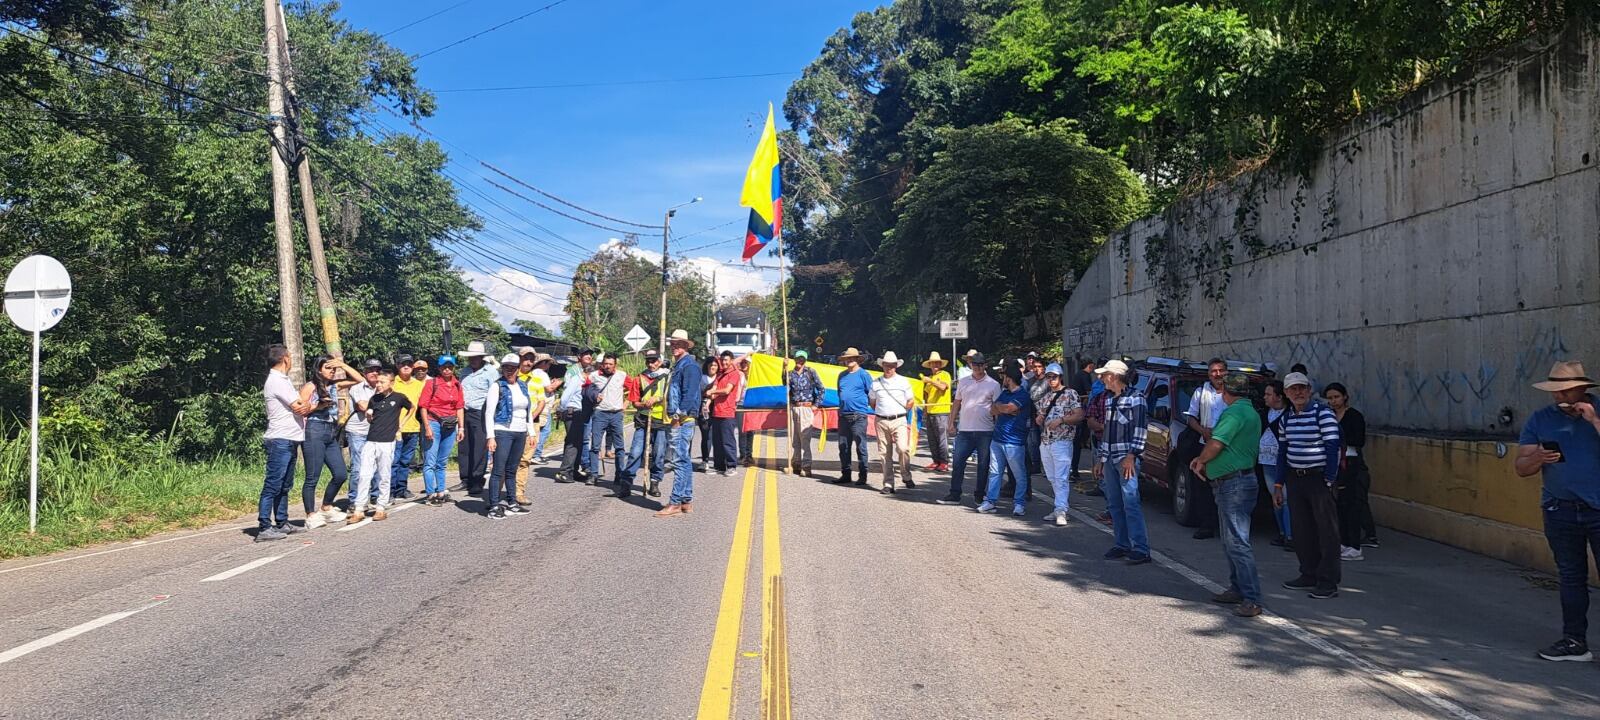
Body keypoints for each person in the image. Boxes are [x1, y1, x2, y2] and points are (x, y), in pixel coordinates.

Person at [1514, 361, 1600, 662]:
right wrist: (1537, 457)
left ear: (1583, 389)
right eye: (1556, 391)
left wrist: (1595, 422)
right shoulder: (1541, 419)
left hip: (1598, 509)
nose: (1560, 396)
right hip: (1560, 509)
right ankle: (1574, 641)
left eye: (1567, 390)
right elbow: (1521, 468)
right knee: (1571, 577)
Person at [1189, 373, 1266, 617]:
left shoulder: (1234, 414)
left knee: (1237, 542)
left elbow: (1216, 443)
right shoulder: (1250, 411)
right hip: (1237, 480)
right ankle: (1237, 588)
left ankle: (1251, 598)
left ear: (1225, 391)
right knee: (1231, 540)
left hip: (1234, 483)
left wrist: (1201, 460)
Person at [1277, 371, 1344, 599]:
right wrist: (1279, 482)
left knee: (1327, 532)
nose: (1298, 393)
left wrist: (1329, 478)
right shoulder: (1287, 418)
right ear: (1286, 393)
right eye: (1293, 389)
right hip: (1296, 479)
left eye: (1302, 388)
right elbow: (1283, 451)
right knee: (1302, 530)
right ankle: (1308, 573)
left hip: (1318, 479)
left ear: (1310, 390)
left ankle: (1327, 581)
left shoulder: (1322, 413)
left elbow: (1332, 445)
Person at [1095, 359, 1152, 565]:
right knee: (1114, 503)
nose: (1101, 379)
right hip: (1111, 457)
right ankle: (1121, 543)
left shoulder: (1137, 398)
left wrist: (1132, 455)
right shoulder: (1110, 399)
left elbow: (1140, 429)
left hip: (1125, 458)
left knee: (1131, 503)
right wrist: (1101, 459)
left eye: (1104, 375)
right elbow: (1108, 432)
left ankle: (1141, 548)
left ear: (1113, 376)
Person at [257, 345, 312, 542]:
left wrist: (305, 404)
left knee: (285, 484)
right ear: (286, 359)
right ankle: (264, 526)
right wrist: (314, 401)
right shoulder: (276, 381)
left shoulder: (283, 380)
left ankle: (281, 522)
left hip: (290, 437)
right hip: (280, 438)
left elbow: (299, 406)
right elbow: (300, 408)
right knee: (273, 483)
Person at [298, 355, 361, 529]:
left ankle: (326, 506)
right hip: (314, 430)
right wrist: (319, 405)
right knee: (313, 476)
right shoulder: (310, 387)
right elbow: (300, 410)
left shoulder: (335, 385)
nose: (332, 371)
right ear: (318, 370)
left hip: (331, 431)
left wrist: (342, 365)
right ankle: (310, 514)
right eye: (328, 368)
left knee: (340, 473)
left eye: (333, 369)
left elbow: (359, 379)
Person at [347, 369, 410, 524]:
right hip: (371, 440)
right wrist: (370, 418)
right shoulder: (374, 399)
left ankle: (381, 507)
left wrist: (400, 425)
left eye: (382, 381)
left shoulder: (399, 398)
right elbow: (370, 415)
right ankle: (359, 508)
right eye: (378, 381)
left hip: (387, 442)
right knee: (364, 474)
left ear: (391, 383)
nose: (379, 384)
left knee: (384, 474)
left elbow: (412, 408)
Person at [938, 352, 1000, 505]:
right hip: (965, 429)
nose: (977, 367)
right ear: (971, 365)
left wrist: (998, 429)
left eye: (980, 364)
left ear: (985, 365)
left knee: (983, 464)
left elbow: (997, 408)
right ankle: (955, 493)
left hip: (985, 430)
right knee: (958, 462)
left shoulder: (993, 384)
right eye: (974, 364)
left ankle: (979, 494)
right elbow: (957, 403)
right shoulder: (963, 382)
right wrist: (951, 422)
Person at [658, 329, 705, 517]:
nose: (674, 346)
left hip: (682, 419)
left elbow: (691, 393)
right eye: (673, 343)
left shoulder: (689, 366)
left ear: (686, 345)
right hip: (681, 418)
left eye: (678, 343)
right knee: (683, 460)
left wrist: (678, 416)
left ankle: (675, 502)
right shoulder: (680, 365)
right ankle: (686, 500)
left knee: (678, 460)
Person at [1181, 359, 1229, 540]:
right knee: (1203, 486)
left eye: (1221, 370)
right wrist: (1203, 431)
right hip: (1205, 442)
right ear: (1209, 375)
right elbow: (1191, 417)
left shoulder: (1232, 392)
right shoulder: (1201, 393)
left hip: (1228, 444)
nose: (1217, 374)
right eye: (1213, 371)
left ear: (1226, 372)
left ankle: (1227, 525)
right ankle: (1207, 525)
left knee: (1227, 485)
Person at [978, 364, 1033, 515]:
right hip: (998, 439)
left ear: (1009, 378)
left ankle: (1019, 504)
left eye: (1004, 376)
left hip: (1014, 441)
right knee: (995, 472)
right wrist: (1006, 409)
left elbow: (1005, 408)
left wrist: (1004, 409)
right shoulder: (1005, 393)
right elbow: (992, 409)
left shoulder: (1023, 395)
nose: (1002, 379)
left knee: (1018, 474)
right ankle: (990, 501)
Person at [483, 354, 533, 519]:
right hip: (502, 431)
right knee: (498, 470)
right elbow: (489, 413)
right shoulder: (497, 386)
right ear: (502, 368)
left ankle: (512, 502)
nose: (509, 370)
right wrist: (490, 436)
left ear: (518, 369)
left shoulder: (523, 386)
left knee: (512, 470)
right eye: (506, 367)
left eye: (512, 367)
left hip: (520, 432)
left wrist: (531, 432)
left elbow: (528, 411)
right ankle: (494, 505)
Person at [1323, 382, 1370, 561]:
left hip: (1349, 461)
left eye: (1336, 397)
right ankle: (1343, 542)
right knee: (1338, 505)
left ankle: (1355, 545)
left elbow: (1359, 440)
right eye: (1330, 398)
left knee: (1351, 504)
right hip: (1333, 461)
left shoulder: (1354, 416)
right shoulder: (1329, 416)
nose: (1334, 401)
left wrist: (1339, 440)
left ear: (1344, 397)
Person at [617, 349, 669, 498]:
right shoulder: (639, 378)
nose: (651, 364)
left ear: (659, 362)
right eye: (648, 361)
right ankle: (626, 483)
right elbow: (634, 401)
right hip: (643, 420)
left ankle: (654, 482)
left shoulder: (667, 377)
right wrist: (643, 404)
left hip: (660, 420)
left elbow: (670, 396)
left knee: (659, 453)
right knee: (635, 452)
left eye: (654, 361)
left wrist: (658, 399)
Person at [1036, 363, 1083, 527]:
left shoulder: (1071, 394)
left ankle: (1061, 509)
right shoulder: (1046, 397)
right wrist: (1039, 419)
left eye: (1054, 377)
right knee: (1052, 477)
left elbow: (1079, 415)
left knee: (1061, 477)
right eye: (1048, 377)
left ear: (1060, 377)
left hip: (1062, 440)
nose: (1051, 380)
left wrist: (1061, 420)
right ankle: (1058, 507)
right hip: (1046, 440)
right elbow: (1040, 415)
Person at [418, 355, 465, 506]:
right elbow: (423, 407)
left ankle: (441, 491)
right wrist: (427, 427)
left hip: (450, 425)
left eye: (450, 366)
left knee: (442, 461)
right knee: (430, 461)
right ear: (439, 368)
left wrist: (461, 428)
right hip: (434, 423)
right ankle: (431, 494)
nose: (447, 369)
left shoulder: (457, 384)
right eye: (444, 367)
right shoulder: (432, 384)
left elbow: (459, 407)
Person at [870, 351, 917, 494]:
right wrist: (882, 411)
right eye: (887, 365)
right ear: (882, 365)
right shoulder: (876, 383)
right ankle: (888, 483)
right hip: (881, 420)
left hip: (899, 419)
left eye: (892, 365)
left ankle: (906, 475)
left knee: (903, 448)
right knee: (884, 453)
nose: (889, 368)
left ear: (896, 366)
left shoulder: (903, 381)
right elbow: (872, 402)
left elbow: (911, 401)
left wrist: (903, 410)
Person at [343, 359, 384, 508]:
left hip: (377, 431)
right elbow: (362, 405)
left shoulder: (384, 388)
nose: (374, 373)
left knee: (377, 464)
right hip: (358, 431)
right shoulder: (357, 387)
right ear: (364, 373)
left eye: (377, 370)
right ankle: (354, 500)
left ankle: (374, 496)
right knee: (358, 466)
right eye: (371, 370)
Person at [457, 342, 494, 496]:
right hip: (464, 411)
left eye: (475, 357)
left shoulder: (490, 372)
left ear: (481, 357)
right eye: (470, 357)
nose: (472, 360)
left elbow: (495, 392)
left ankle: (477, 480)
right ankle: (465, 478)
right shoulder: (464, 371)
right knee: (464, 447)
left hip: (481, 412)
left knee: (479, 448)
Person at [516, 352, 553, 504]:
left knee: (525, 460)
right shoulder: (511, 376)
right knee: (507, 460)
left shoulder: (537, 379)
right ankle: (498, 492)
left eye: (531, 360)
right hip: (513, 424)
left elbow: (541, 402)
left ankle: (519, 493)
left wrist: (530, 418)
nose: (528, 362)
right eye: (525, 359)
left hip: (533, 423)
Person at [1259, 380, 1292, 549]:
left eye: (1269, 394)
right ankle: (1281, 532)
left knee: (1286, 499)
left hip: (1284, 463)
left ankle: (1290, 535)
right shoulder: (1265, 413)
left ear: (1279, 397)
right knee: (1276, 499)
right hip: (1266, 461)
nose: (1265, 397)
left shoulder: (1289, 415)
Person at [833, 347, 873, 486]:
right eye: (846, 359)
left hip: (858, 416)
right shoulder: (841, 376)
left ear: (857, 360)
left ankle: (863, 475)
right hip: (844, 415)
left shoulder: (864, 375)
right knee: (843, 446)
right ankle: (846, 473)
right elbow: (840, 393)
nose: (849, 361)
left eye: (851, 358)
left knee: (860, 446)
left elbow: (871, 393)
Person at [388, 354, 425, 500]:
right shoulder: (392, 383)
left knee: (405, 461)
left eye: (409, 364)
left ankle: (401, 489)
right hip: (395, 428)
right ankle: (389, 490)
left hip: (413, 428)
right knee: (393, 461)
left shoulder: (418, 384)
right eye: (403, 364)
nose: (406, 367)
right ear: (397, 366)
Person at [587, 355, 628, 485]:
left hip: (616, 414)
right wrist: (593, 395)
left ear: (615, 365)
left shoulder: (622, 375)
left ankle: (619, 474)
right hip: (600, 414)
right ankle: (593, 474)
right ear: (602, 364)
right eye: (606, 363)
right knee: (595, 446)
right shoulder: (593, 376)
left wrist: (626, 404)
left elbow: (634, 389)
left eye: (611, 364)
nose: (608, 366)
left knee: (620, 447)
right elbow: (584, 389)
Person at [786, 349, 824, 476]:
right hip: (795, 408)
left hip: (807, 408)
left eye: (802, 359)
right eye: (798, 358)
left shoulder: (810, 372)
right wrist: (783, 367)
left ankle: (806, 466)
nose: (799, 361)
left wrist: (816, 405)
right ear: (794, 359)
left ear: (805, 360)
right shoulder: (790, 373)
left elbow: (821, 389)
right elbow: (783, 383)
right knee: (794, 437)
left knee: (805, 438)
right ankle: (796, 464)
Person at [707, 351, 744, 477]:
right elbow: (713, 389)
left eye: (726, 360)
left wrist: (713, 392)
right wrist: (708, 401)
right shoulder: (720, 374)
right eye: (722, 360)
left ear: (731, 360)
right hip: (716, 411)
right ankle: (719, 466)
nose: (724, 362)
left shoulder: (734, 374)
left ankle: (732, 466)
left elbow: (727, 390)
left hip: (728, 412)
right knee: (717, 441)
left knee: (728, 441)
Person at [920, 352, 952, 472]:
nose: (935, 365)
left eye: (937, 363)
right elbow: (926, 395)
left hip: (941, 411)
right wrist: (924, 410)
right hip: (930, 411)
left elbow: (943, 387)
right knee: (932, 438)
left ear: (940, 364)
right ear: (930, 365)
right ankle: (936, 460)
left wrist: (930, 381)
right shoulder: (930, 378)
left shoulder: (945, 375)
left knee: (942, 438)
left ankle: (944, 462)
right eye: (933, 363)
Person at [1070, 358, 1096, 480]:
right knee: (1077, 441)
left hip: (1074, 410)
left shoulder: (1077, 375)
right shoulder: (1085, 375)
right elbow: (1089, 392)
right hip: (1080, 410)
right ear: (1090, 366)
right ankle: (1073, 470)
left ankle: (1073, 469)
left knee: (1076, 441)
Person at [698, 355, 718, 472]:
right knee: (706, 435)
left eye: (715, 365)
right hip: (703, 410)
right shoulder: (700, 378)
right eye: (710, 365)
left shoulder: (720, 378)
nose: (712, 367)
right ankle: (704, 460)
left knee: (718, 436)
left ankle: (719, 460)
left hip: (718, 409)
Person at [738, 356, 754, 465]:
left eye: (746, 363)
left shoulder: (754, 376)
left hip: (752, 405)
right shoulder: (738, 375)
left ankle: (749, 455)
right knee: (742, 431)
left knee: (750, 432)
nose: (744, 365)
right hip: (740, 405)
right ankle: (743, 455)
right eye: (742, 363)